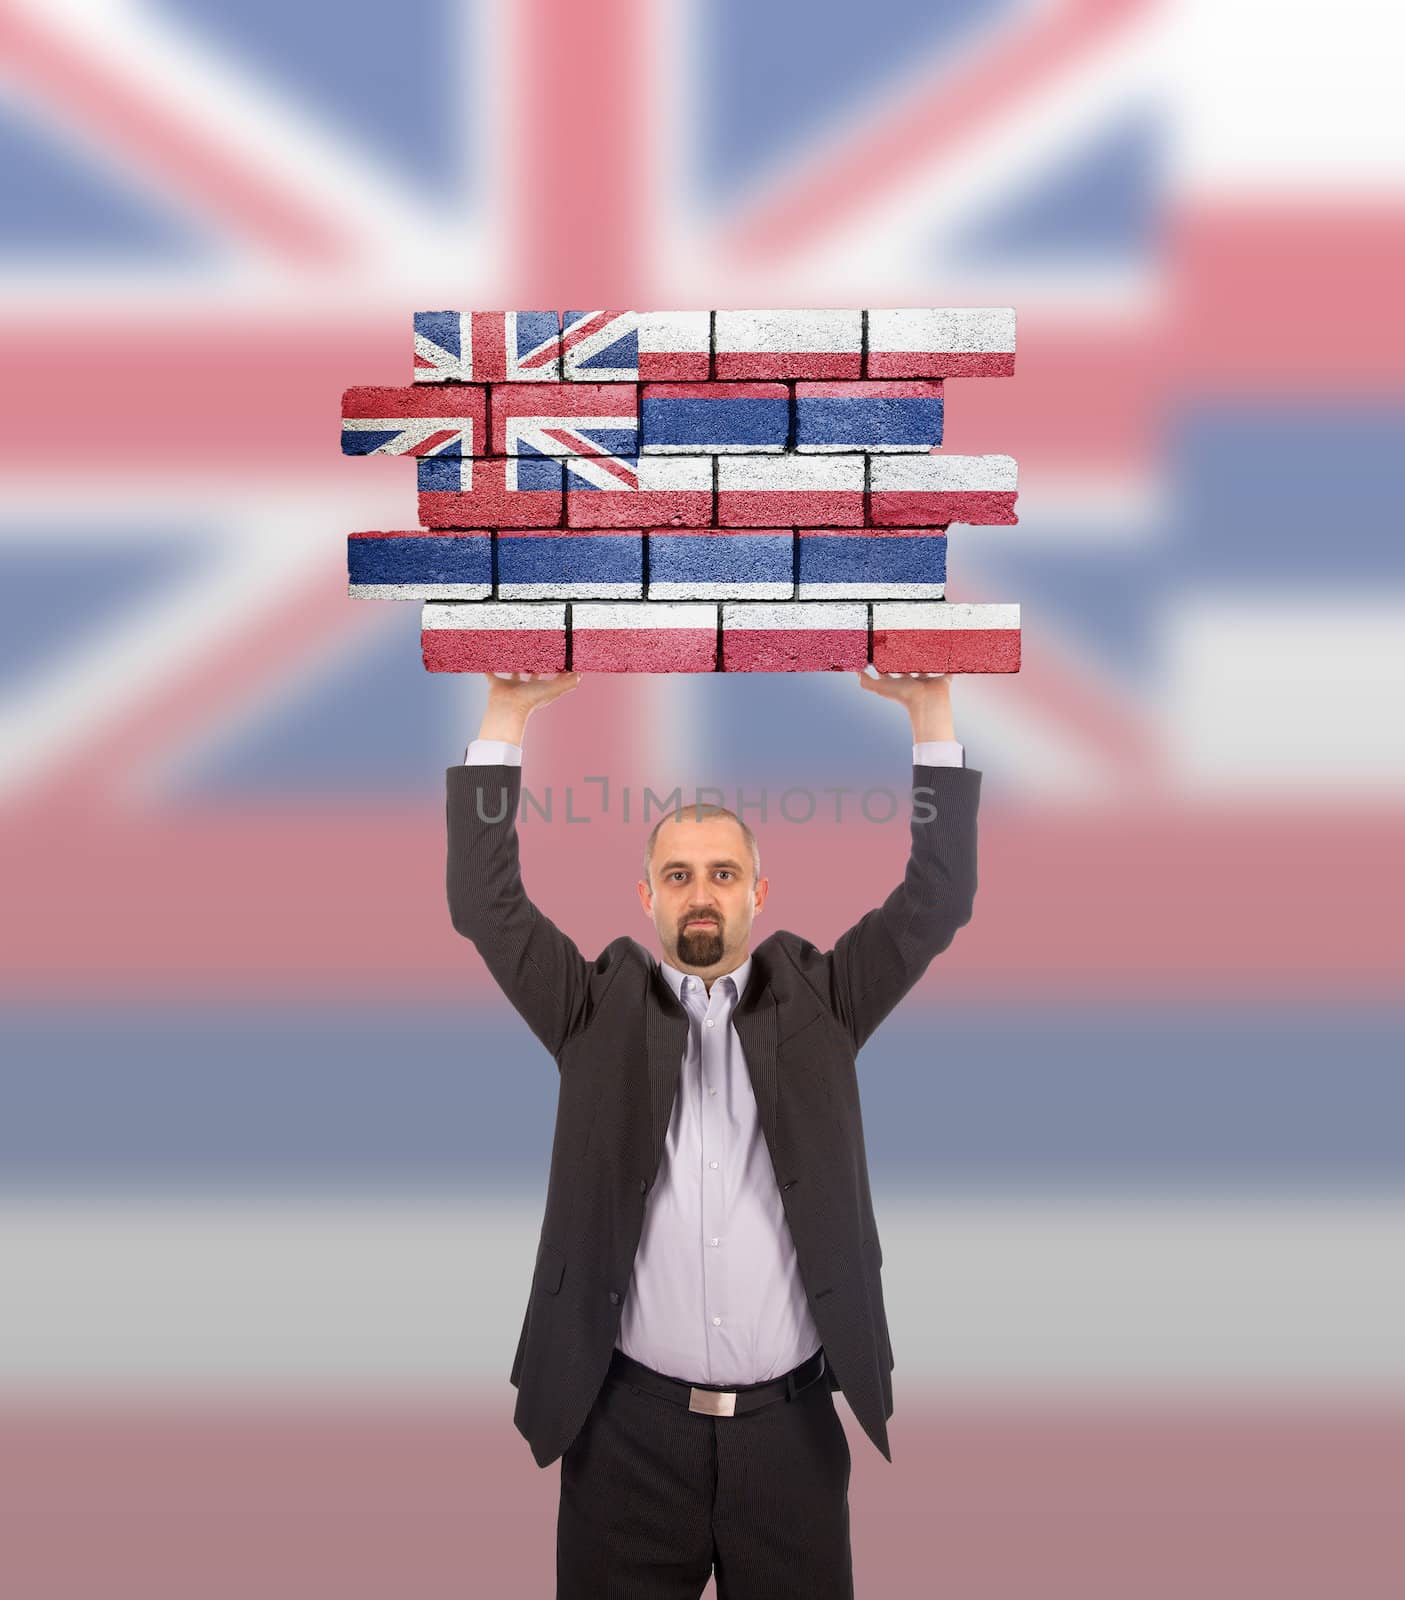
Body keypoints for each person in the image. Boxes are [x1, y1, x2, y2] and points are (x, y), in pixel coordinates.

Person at [447, 667, 981, 1598]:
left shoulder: (826, 997)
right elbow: (484, 906)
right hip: (623, 1437)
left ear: (758, 894)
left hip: (793, 1440)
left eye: (723, 875)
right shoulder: (590, 1008)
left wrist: (929, 713)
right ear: (646, 896)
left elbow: (935, 901)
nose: (702, 894)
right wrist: (507, 711)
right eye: (679, 876)